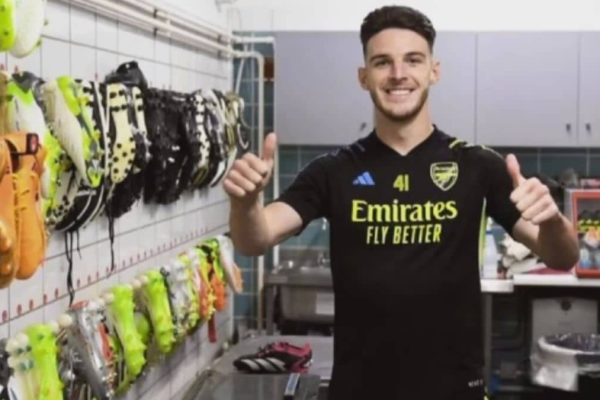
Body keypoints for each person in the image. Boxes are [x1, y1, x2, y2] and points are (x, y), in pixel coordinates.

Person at [223, 5, 579, 399]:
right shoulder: (332, 171)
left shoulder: (478, 166)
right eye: (382, 62)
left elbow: (563, 256)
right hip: (360, 390)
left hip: (453, 389)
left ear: (434, 71)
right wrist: (246, 203)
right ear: (363, 77)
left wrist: (552, 221)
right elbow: (255, 239)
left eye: (413, 59)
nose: (398, 74)